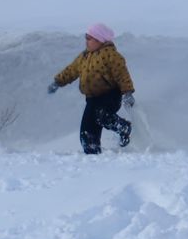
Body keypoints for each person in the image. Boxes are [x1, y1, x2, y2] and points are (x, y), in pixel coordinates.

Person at [49, 22, 135, 154]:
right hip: (92, 99)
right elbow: (71, 70)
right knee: (87, 130)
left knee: (101, 116)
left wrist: (128, 93)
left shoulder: (111, 55)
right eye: (86, 37)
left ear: (100, 39)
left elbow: (122, 74)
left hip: (110, 95)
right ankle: (92, 153)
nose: (86, 41)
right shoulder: (85, 56)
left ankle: (123, 128)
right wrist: (58, 82)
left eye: (89, 38)